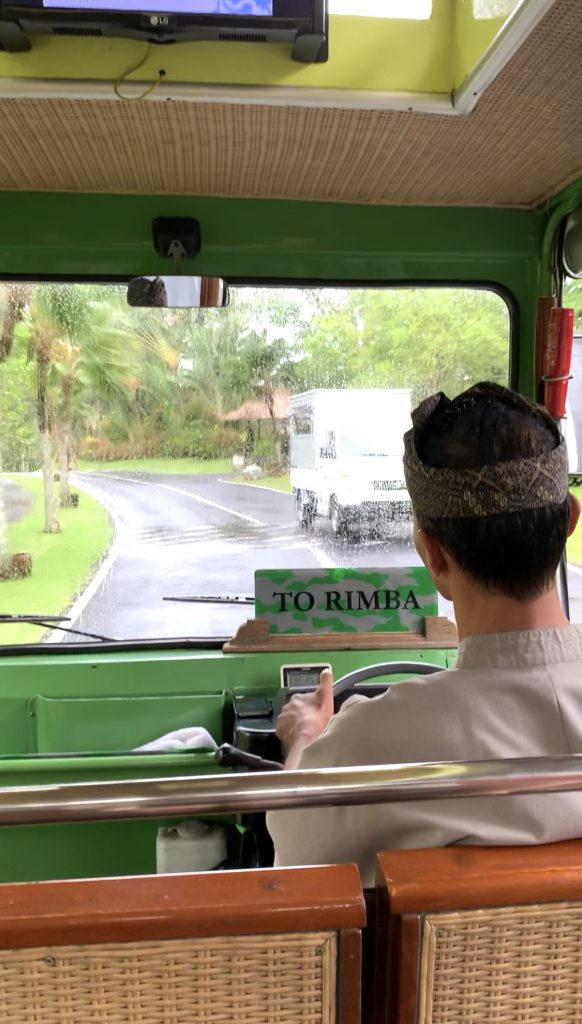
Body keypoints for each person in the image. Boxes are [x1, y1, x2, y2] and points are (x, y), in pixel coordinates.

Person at [267, 381, 582, 886]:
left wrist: (305, 737)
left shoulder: (371, 745)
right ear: (569, 520)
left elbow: (295, 856)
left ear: (433, 556)